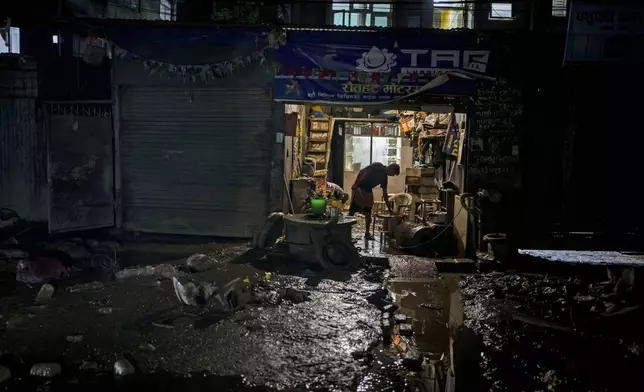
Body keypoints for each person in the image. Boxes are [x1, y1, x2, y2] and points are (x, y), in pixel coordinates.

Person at [348, 162, 400, 239]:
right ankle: (347, 233)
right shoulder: (378, 166)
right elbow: (363, 172)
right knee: (352, 211)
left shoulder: (384, 178)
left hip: (368, 191)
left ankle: (367, 233)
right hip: (359, 188)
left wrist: (389, 208)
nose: (392, 175)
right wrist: (356, 184)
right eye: (393, 173)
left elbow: (385, 194)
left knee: (368, 212)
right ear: (391, 169)